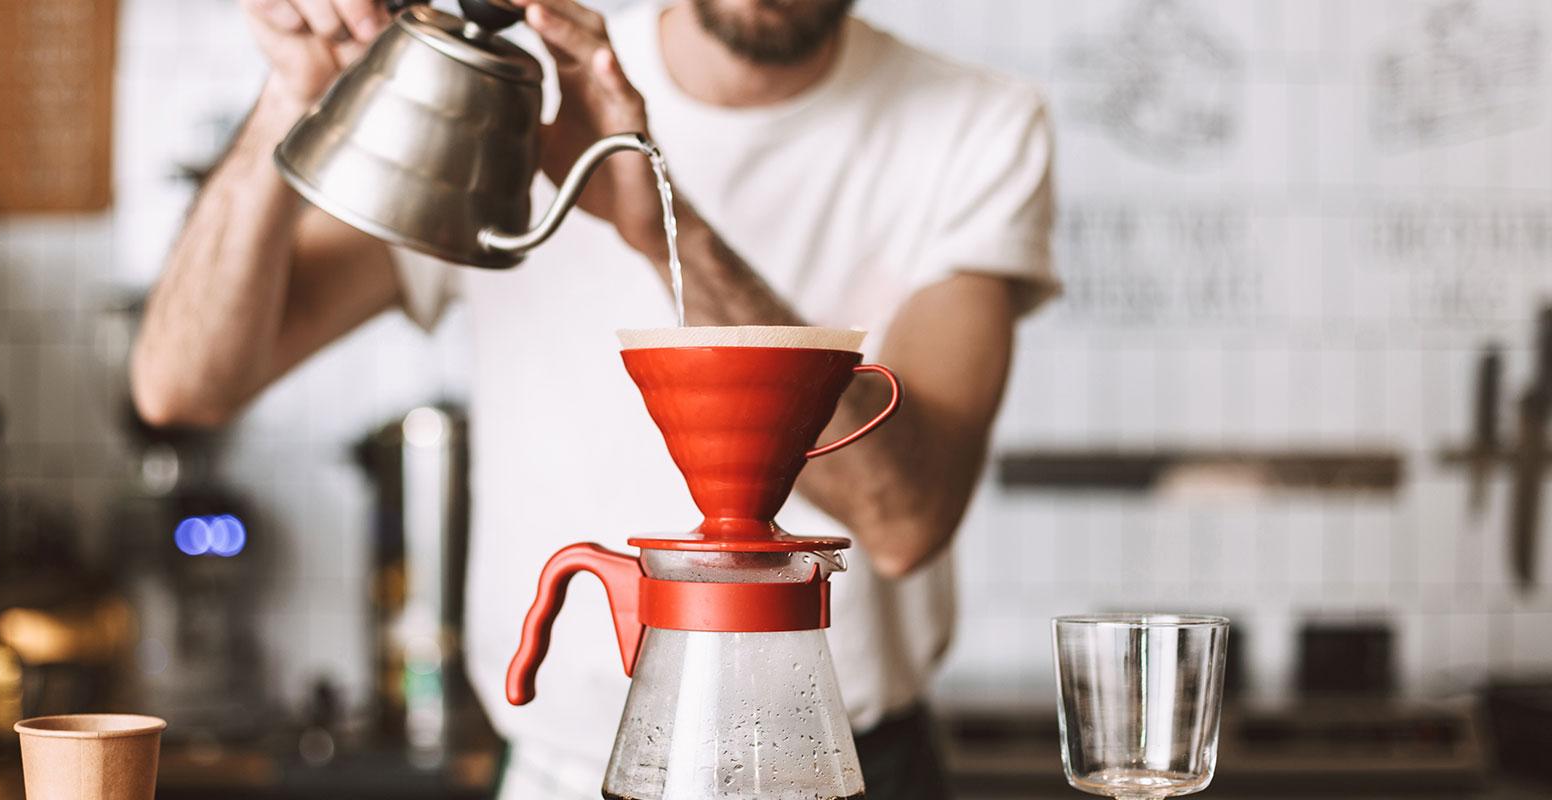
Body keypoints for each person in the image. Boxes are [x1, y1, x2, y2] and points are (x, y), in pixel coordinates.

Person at [132, 0, 1057, 797]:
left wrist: (655, 217)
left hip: (843, 768)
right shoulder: (524, 104)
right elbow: (181, 381)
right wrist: (290, 96)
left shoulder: (977, 127)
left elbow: (904, 518)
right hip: (560, 770)